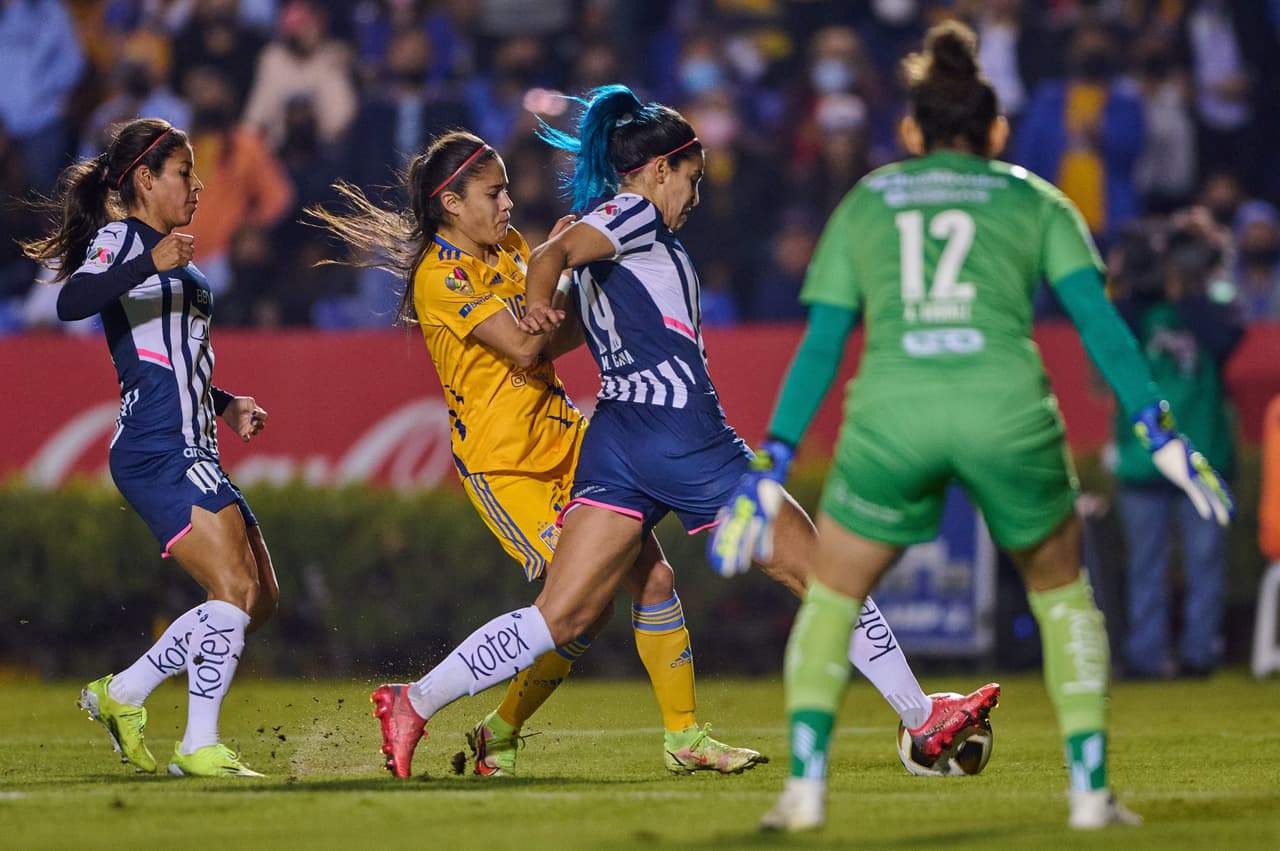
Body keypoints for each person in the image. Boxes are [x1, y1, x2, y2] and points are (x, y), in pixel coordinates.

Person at [364, 86, 998, 781]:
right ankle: (922, 717)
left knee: (567, 615)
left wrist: (554, 296)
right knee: (823, 573)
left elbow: (557, 273)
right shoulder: (633, 210)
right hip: (678, 436)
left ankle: (416, 700)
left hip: (611, 437)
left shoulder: (616, 226)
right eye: (692, 178)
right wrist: (542, 296)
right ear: (660, 170)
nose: (694, 196)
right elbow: (549, 265)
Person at [707, 22, 1233, 833]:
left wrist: (771, 458)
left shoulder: (868, 201)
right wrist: (1157, 428)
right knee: (1064, 600)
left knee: (832, 601)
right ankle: (1090, 793)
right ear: (996, 130)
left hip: (894, 413)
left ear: (910, 131)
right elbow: (1100, 323)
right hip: (1006, 408)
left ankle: (804, 791)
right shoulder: (1033, 196)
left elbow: (820, 345)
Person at [309, 129, 762, 777]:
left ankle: (680, 735)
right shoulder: (443, 277)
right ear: (450, 204)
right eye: (492, 194)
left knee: (652, 580)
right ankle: (435, 708)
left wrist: (586, 274)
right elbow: (526, 348)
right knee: (578, 609)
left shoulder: (515, 248)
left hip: (569, 441)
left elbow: (559, 330)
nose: (506, 205)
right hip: (507, 465)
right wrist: (563, 276)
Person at [20, 117, 277, 778]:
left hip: (194, 439)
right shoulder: (122, 238)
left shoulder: (171, 252)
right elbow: (73, 301)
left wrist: (228, 403)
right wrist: (146, 259)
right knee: (232, 587)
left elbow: (176, 355)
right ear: (143, 179)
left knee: (259, 598)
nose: (197, 185)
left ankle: (126, 692)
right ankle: (198, 743)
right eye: (185, 172)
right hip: (155, 444)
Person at [1109, 211, 1244, 678]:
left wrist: (1185, 288)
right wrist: (1142, 279)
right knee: (1145, 565)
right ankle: (1146, 655)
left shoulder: (1213, 302)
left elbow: (1226, 337)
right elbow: (1109, 331)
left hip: (1201, 453)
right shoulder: (1134, 310)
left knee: (1204, 561)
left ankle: (1198, 653)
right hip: (1142, 457)